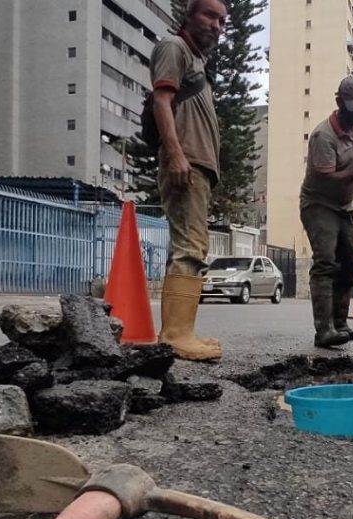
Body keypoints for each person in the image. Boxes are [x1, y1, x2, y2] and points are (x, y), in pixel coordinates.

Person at [149, 0, 227, 361]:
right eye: (210, 15)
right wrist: (177, 154)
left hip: (198, 166)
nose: (217, 25)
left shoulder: (197, 61)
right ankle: (176, 335)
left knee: (190, 247)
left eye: (222, 20)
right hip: (186, 163)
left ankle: (180, 331)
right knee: (190, 248)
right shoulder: (174, 48)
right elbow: (161, 102)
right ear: (190, 15)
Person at [300, 76, 353, 348]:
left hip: (343, 206)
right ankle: (324, 330)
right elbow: (327, 179)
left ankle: (341, 324)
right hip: (319, 203)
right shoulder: (324, 136)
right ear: (339, 103)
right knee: (326, 262)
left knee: (349, 263)